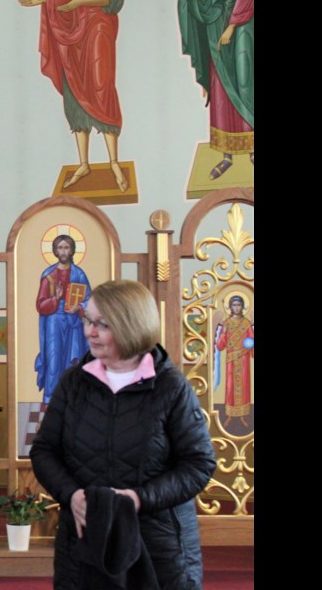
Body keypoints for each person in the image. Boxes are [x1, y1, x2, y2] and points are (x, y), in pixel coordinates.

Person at [30, 280, 216, 589]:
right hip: (85, 540)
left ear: (132, 325)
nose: (90, 331)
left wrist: (138, 499)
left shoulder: (171, 387)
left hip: (160, 544)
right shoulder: (73, 383)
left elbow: (198, 465)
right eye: (87, 319)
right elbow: (44, 451)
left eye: (102, 324)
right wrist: (71, 495)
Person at [18, 0, 127, 192]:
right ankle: (84, 163)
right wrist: (47, 0)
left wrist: (81, 3)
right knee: (73, 90)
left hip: (98, 25)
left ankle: (114, 162)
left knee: (101, 85)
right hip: (72, 27)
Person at [178, 0, 253, 180]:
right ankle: (226, 156)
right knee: (221, 88)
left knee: (245, 80)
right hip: (218, 24)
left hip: (245, 24)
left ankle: (252, 150)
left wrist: (233, 25)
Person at [34, 235, 90, 404]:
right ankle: (50, 400)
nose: (63, 251)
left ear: (72, 250)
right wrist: (55, 300)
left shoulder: (79, 274)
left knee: (73, 360)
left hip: (74, 321)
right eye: (60, 248)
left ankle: (73, 399)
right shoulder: (48, 275)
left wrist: (79, 307)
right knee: (54, 358)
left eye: (66, 248)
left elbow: (90, 300)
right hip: (54, 320)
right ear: (55, 251)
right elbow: (40, 305)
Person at [214, 295, 253, 430]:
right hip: (231, 360)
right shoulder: (226, 324)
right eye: (234, 305)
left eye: (239, 305)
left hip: (244, 360)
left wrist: (249, 345)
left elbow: (252, 341)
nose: (236, 308)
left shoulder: (247, 323)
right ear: (230, 307)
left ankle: (243, 416)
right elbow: (219, 346)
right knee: (231, 387)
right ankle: (230, 415)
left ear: (242, 307)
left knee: (244, 386)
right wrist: (223, 334)